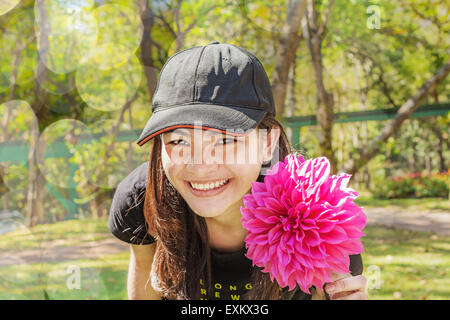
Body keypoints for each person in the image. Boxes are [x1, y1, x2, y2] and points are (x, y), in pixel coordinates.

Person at [108, 41, 368, 300]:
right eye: (179, 141)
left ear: (267, 143)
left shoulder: (323, 223)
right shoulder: (143, 199)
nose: (200, 164)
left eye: (225, 140)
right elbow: (144, 279)